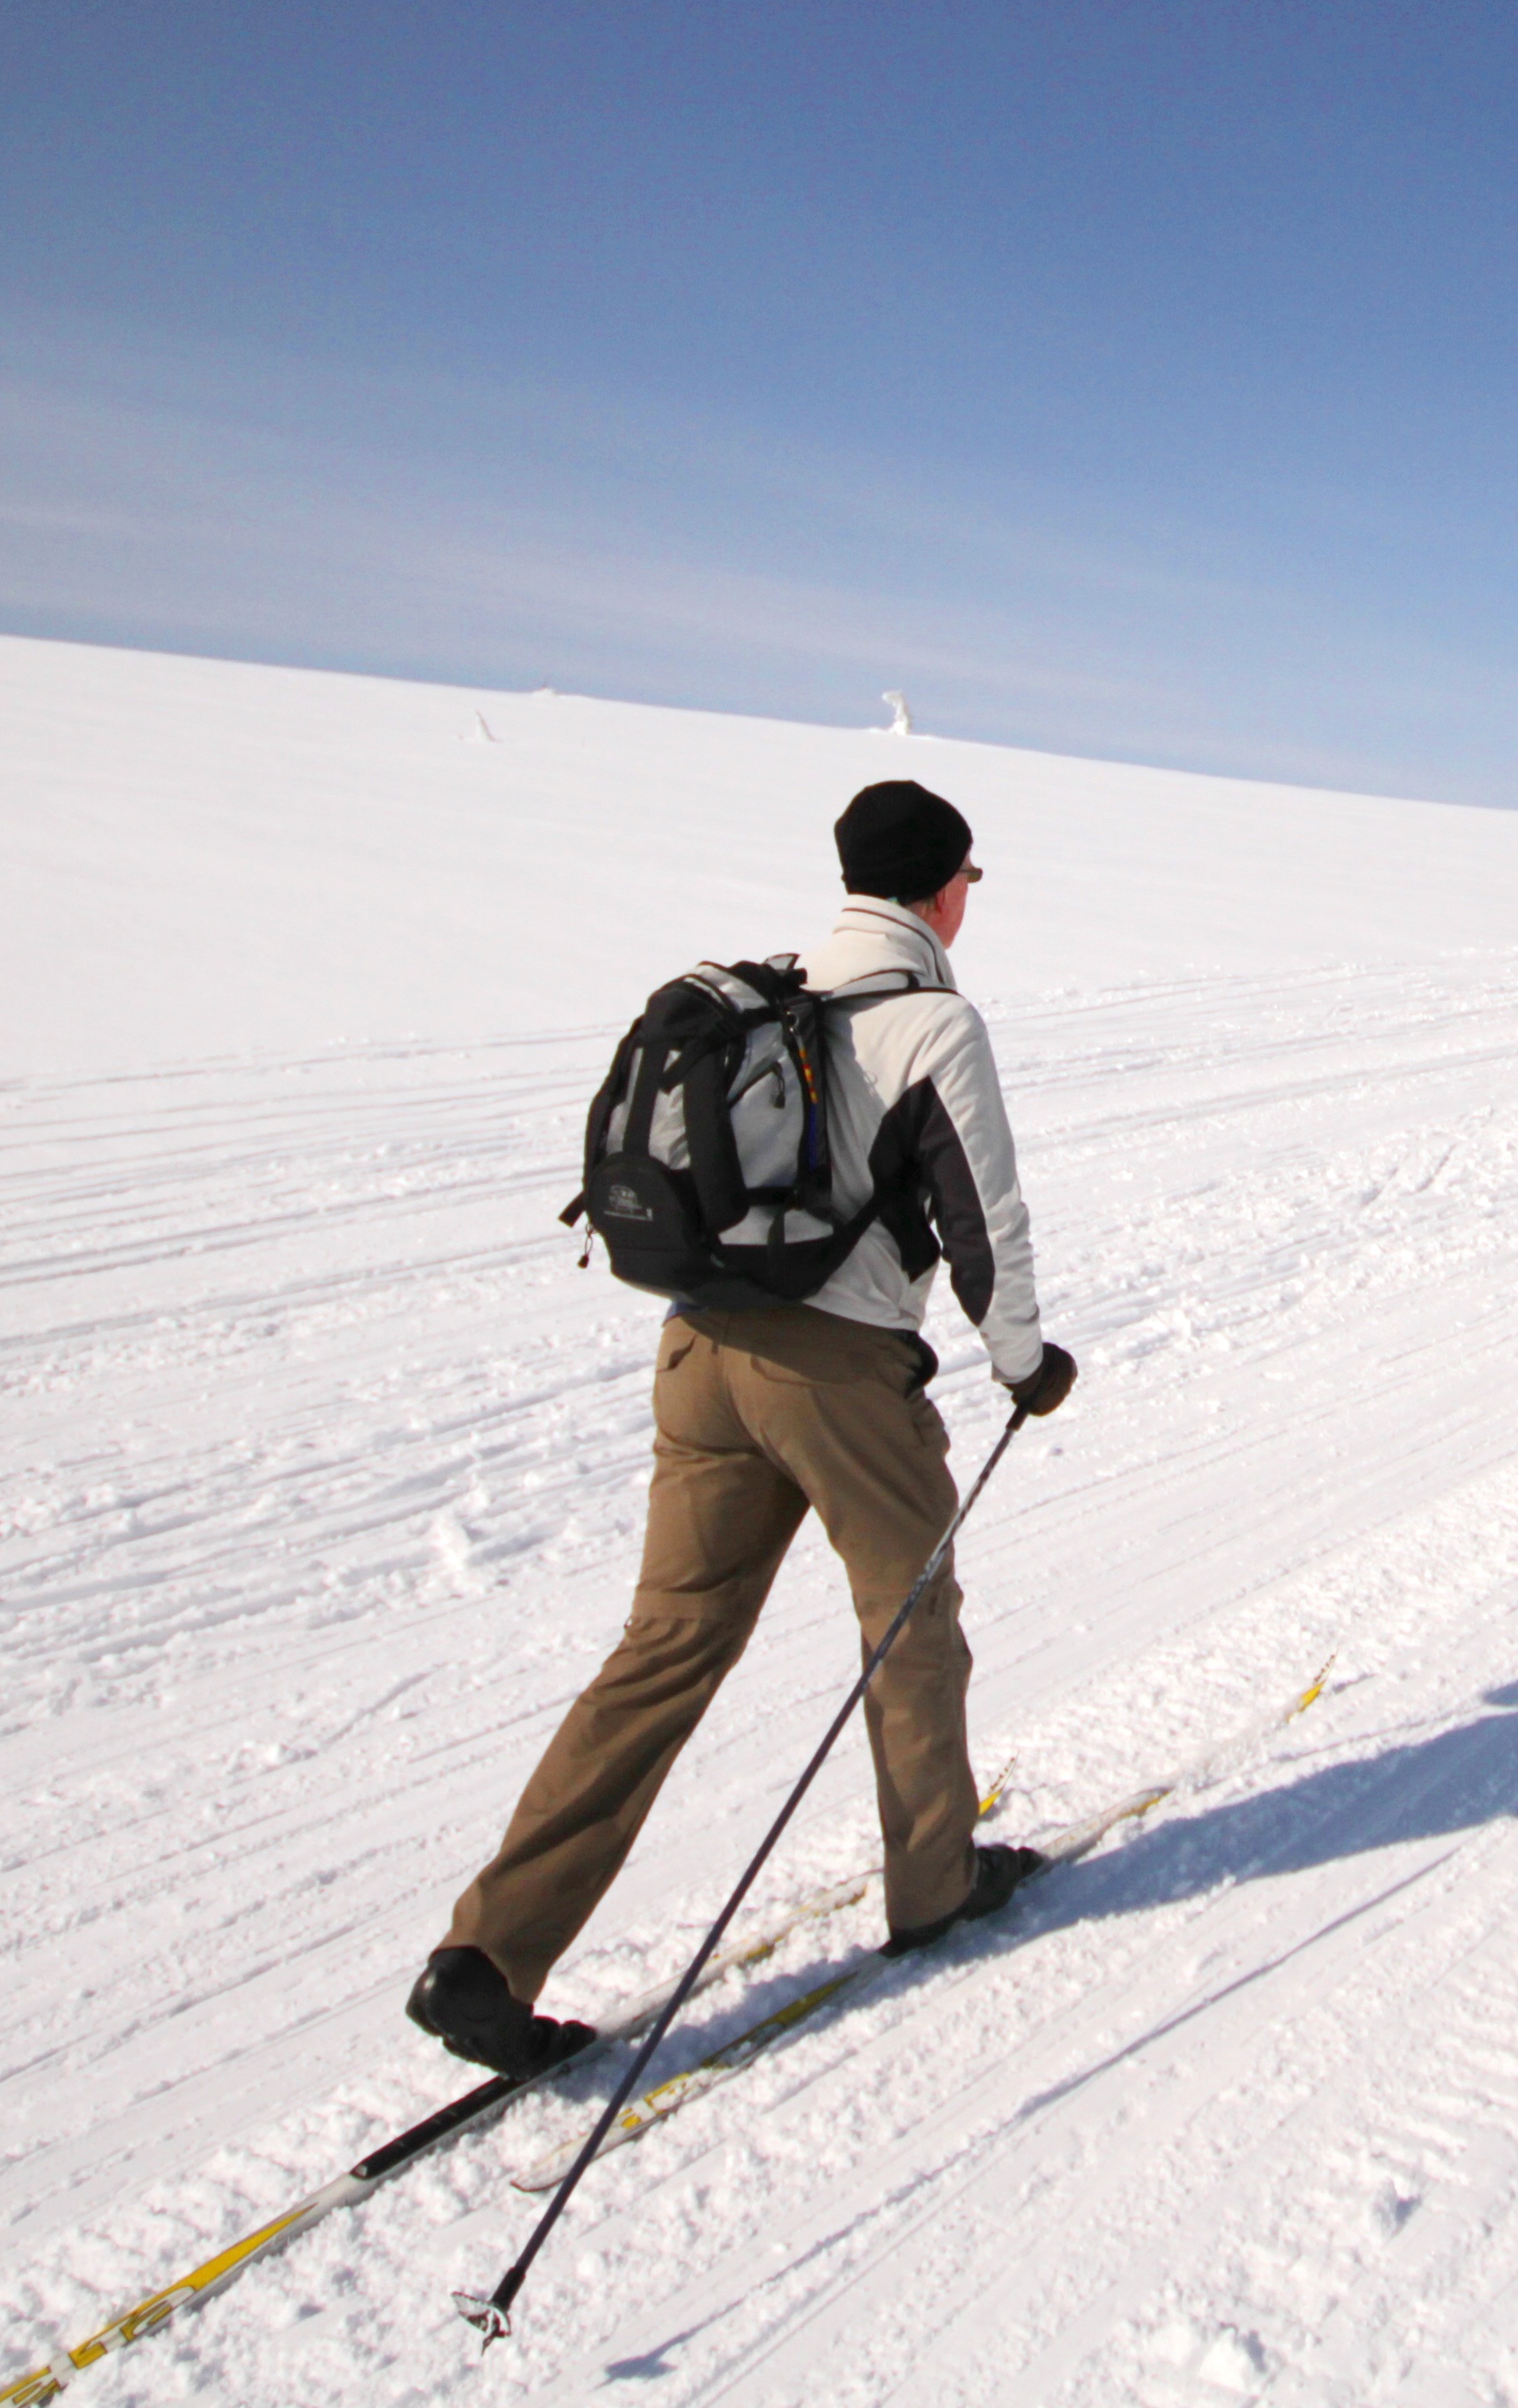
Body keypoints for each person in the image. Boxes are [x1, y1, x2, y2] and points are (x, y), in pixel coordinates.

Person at [406, 779, 1080, 2076]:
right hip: (837, 1380)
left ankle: (485, 1957)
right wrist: (1024, 1362)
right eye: (968, 882)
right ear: (942, 888)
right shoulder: (934, 1021)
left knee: (663, 1650)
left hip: (698, 1355)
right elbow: (982, 1222)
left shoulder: (772, 999)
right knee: (911, 1622)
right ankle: (934, 1882)